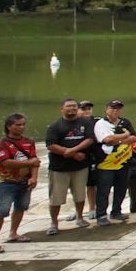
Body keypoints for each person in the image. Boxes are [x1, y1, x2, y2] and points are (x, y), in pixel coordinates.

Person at [0, 113, 39, 253]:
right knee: (1, 211)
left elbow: (35, 162)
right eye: (18, 125)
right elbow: (5, 162)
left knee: (21, 207)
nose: (21, 127)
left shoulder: (29, 142)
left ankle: (13, 233)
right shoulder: (1, 144)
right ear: (9, 127)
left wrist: (34, 177)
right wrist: (29, 162)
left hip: (25, 182)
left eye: (23, 124)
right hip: (7, 182)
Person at [44, 98, 94, 235]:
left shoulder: (85, 123)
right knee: (56, 197)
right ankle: (54, 222)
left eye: (74, 106)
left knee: (79, 194)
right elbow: (51, 145)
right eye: (68, 106)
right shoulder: (55, 126)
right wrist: (70, 153)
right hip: (59, 168)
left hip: (80, 166)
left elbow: (90, 139)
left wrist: (74, 150)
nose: (71, 108)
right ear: (62, 109)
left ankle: (80, 217)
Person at [93, 100, 135, 225]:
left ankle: (116, 211)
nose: (116, 110)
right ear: (106, 109)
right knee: (104, 190)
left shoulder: (125, 122)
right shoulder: (100, 124)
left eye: (118, 108)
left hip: (124, 162)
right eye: (113, 108)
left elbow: (133, 137)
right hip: (106, 163)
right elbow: (107, 139)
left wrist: (120, 140)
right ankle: (101, 215)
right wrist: (124, 136)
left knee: (121, 189)